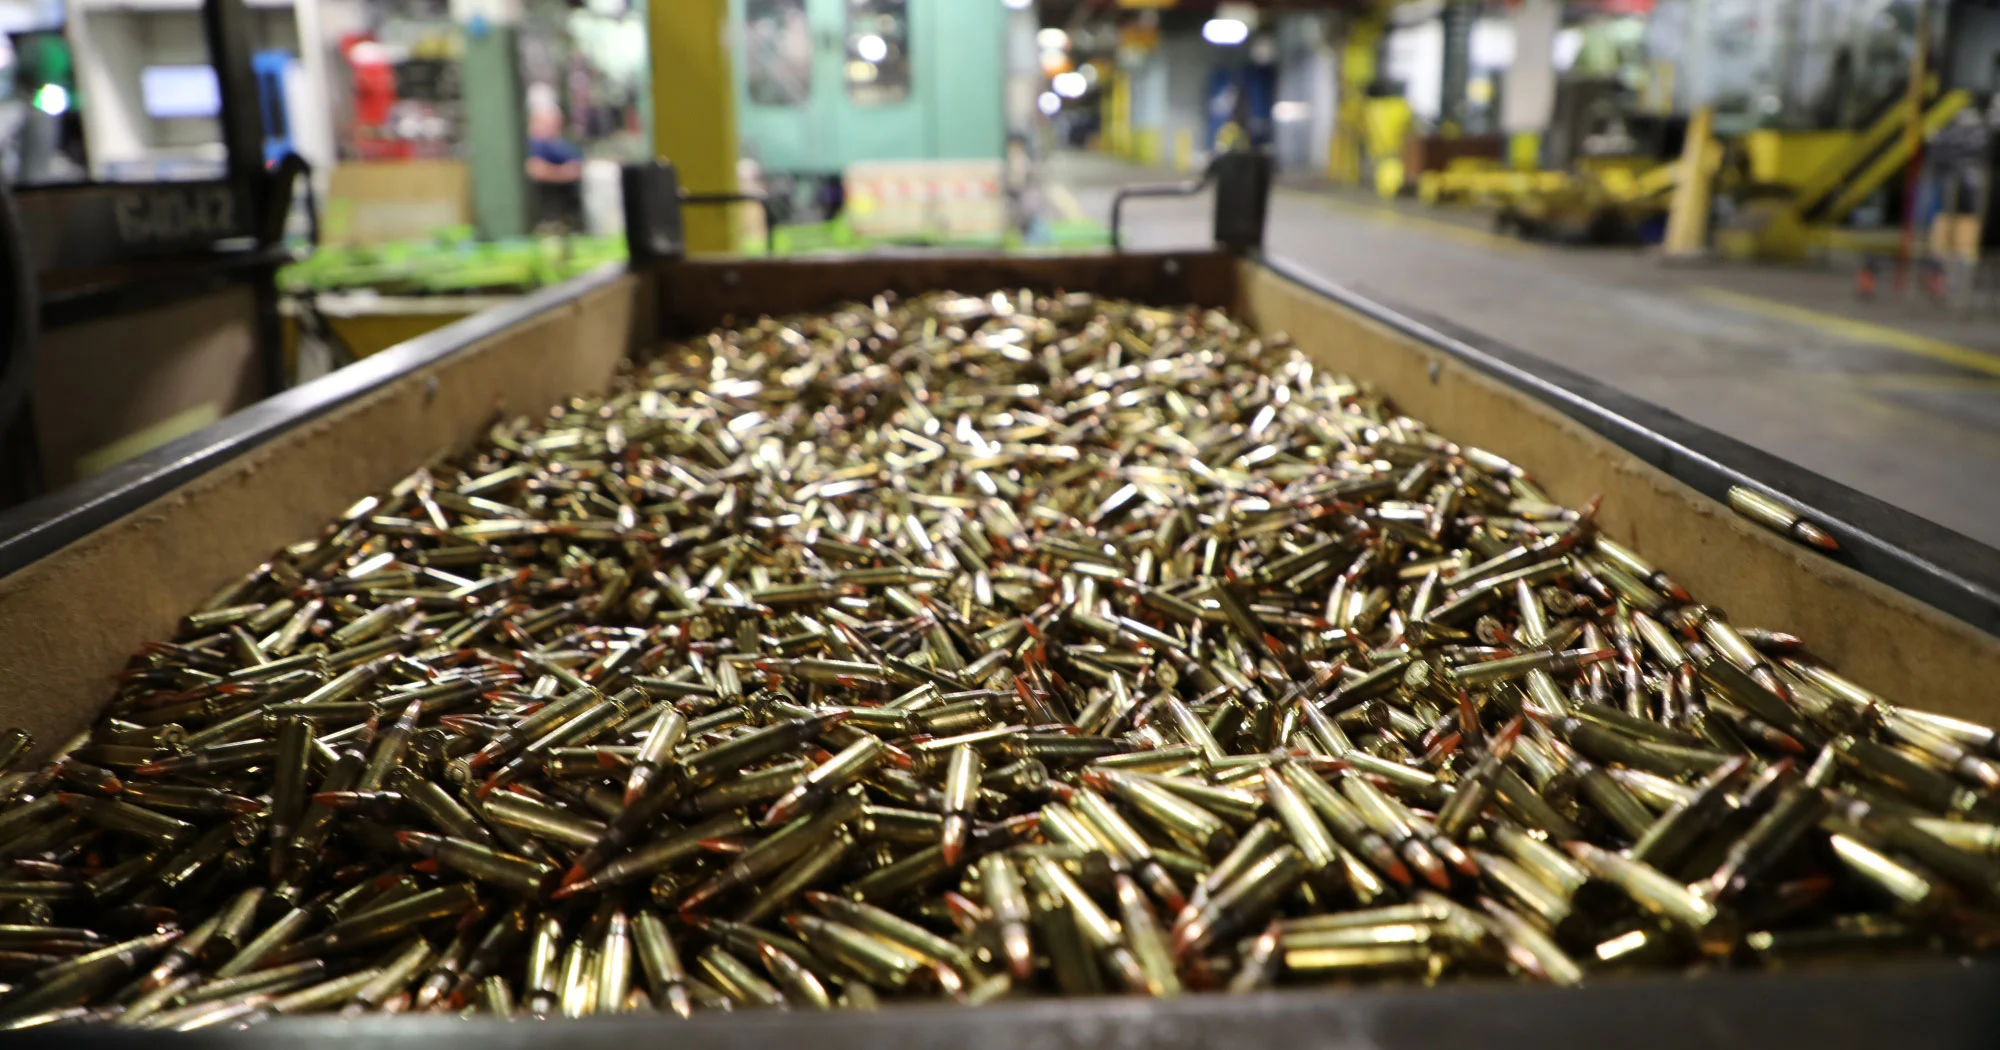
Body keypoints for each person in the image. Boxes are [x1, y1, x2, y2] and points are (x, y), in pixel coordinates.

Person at [525, 103, 584, 231]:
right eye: (547, 122)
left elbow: (580, 164)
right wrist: (563, 173)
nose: (552, 126)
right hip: (548, 201)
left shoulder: (561, 144)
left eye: (556, 122)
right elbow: (535, 170)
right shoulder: (534, 144)